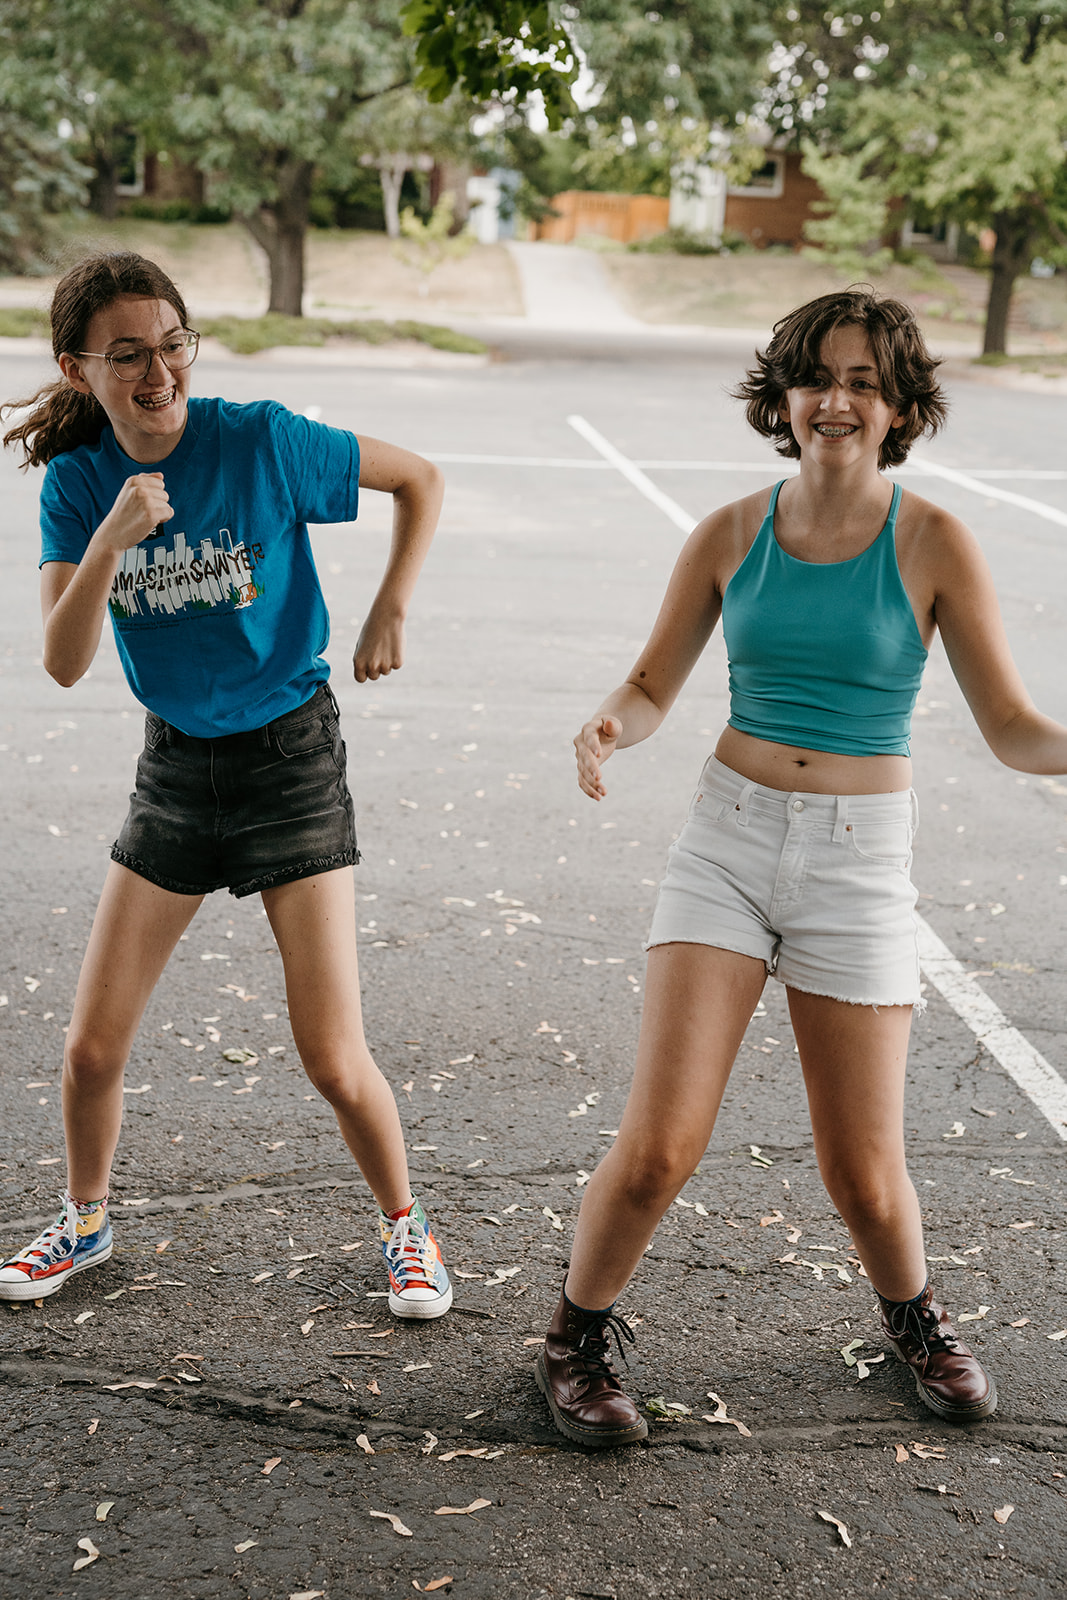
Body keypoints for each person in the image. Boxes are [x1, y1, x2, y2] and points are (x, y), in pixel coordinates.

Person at [536, 286, 1067, 1448]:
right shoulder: (728, 533)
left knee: (863, 1174)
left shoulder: (933, 542)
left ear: (897, 409)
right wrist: (610, 723)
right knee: (658, 1148)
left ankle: (913, 1319)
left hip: (856, 863)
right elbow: (649, 683)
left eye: (862, 382)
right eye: (815, 377)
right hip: (725, 843)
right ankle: (572, 1340)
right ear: (781, 397)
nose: (835, 399)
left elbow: (1012, 727)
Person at [0, 251, 452, 1320]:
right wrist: (111, 536)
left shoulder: (260, 439)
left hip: (289, 759)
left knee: (331, 1053)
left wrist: (391, 605)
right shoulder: (78, 484)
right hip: (175, 768)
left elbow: (419, 478)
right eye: (126, 356)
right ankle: (86, 1221)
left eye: (172, 346)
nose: (158, 373)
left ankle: (408, 1229)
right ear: (77, 370)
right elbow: (62, 660)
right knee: (92, 1047)